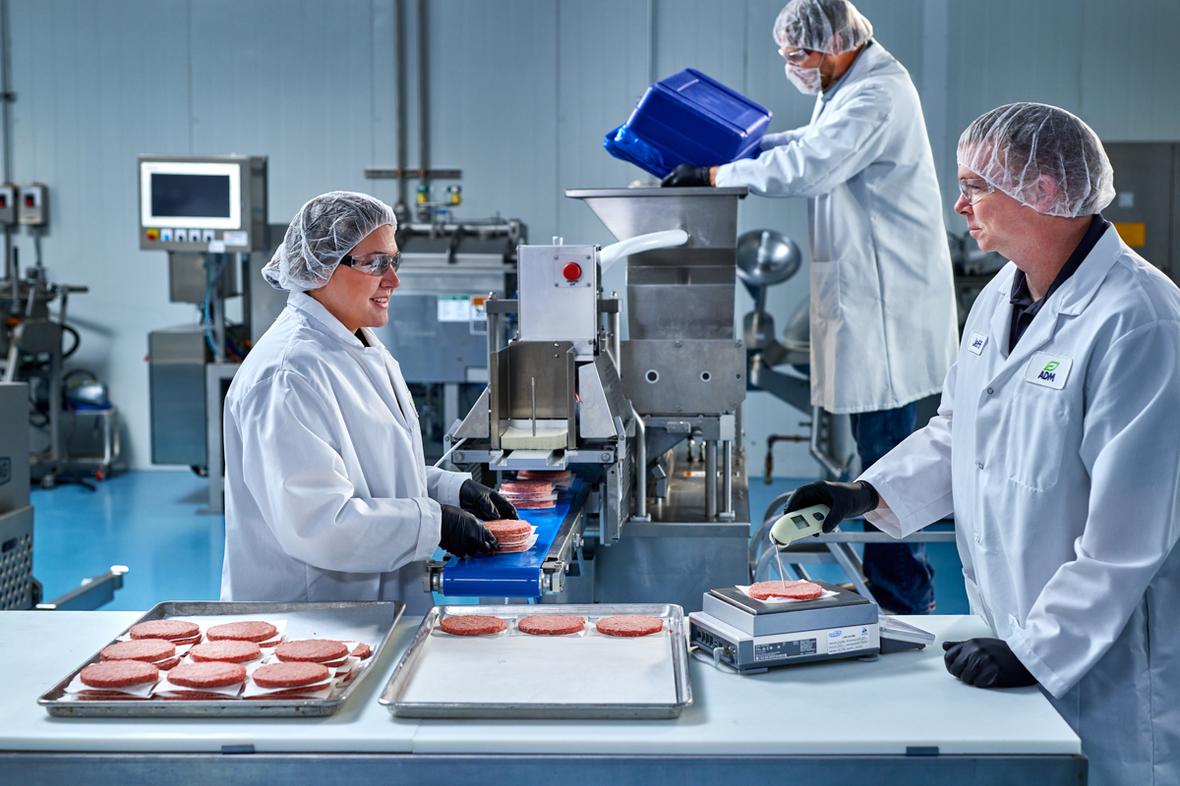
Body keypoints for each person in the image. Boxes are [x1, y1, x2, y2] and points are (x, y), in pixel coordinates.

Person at [787, 102, 1180, 785]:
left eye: (975, 186)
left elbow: (1130, 536)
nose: (960, 204)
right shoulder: (1004, 293)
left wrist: (1038, 650)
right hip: (1010, 632)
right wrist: (866, 492)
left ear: (1043, 191)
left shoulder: (1140, 321)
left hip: (1106, 665)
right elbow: (959, 430)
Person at [663, 0, 958, 613]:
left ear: (837, 42)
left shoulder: (879, 93)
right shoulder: (849, 87)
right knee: (877, 456)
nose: (794, 65)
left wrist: (717, 177)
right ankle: (895, 588)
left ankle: (904, 599)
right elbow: (804, 141)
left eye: (800, 54)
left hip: (888, 310)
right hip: (870, 300)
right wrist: (740, 152)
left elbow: (812, 164)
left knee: (886, 465)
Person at [221, 191, 517, 613]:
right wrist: (434, 524)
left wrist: (451, 490)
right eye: (375, 263)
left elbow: (373, 471)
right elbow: (319, 525)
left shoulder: (357, 346)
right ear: (321, 267)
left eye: (394, 261)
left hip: (368, 613)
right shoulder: (287, 375)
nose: (393, 280)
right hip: (310, 622)